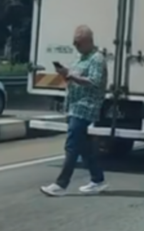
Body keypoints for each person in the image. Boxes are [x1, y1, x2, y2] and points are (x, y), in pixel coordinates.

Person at [40, 25, 109, 196]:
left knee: (71, 144)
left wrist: (71, 75)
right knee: (84, 146)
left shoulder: (97, 59)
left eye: (78, 42)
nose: (75, 45)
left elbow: (94, 81)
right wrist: (65, 73)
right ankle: (97, 179)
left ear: (88, 41)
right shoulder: (80, 57)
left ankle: (61, 184)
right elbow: (73, 77)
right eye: (74, 42)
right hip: (74, 105)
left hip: (86, 107)